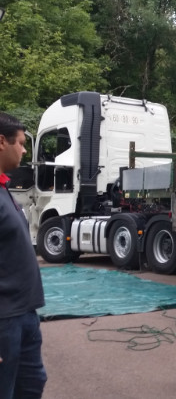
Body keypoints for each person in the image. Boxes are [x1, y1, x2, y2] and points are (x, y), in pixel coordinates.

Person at [0, 112, 47, 398]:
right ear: (1, 142)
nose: (24, 150)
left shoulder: (4, 189)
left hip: (24, 314)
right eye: (20, 143)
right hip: (4, 320)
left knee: (31, 385)